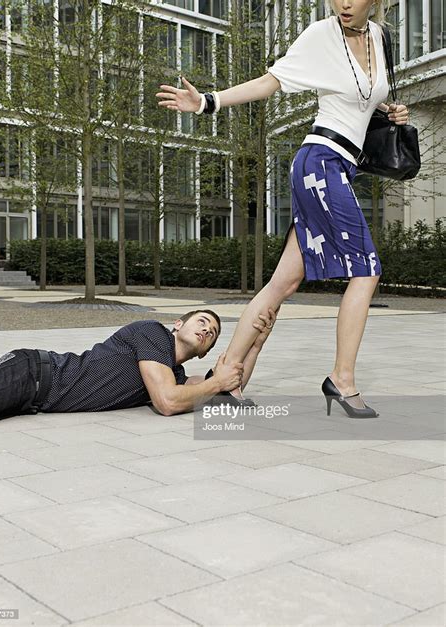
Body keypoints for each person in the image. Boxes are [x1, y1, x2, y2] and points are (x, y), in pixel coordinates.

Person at [156, 0, 409, 418]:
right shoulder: (320, 35)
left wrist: (389, 109)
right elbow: (269, 82)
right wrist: (206, 103)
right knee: (366, 270)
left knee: (282, 284)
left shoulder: (380, 38)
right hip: (319, 163)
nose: (343, 3)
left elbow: (364, 97)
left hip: (341, 166)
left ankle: (227, 378)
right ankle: (341, 381)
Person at [0, 308, 277, 424]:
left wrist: (257, 344)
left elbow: (227, 391)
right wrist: (216, 383)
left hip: (34, 397)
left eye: (211, 334)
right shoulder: (152, 332)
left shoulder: (175, 375)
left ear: (204, 352)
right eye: (202, 322)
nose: (206, 330)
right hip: (33, 373)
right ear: (178, 324)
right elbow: (168, 402)